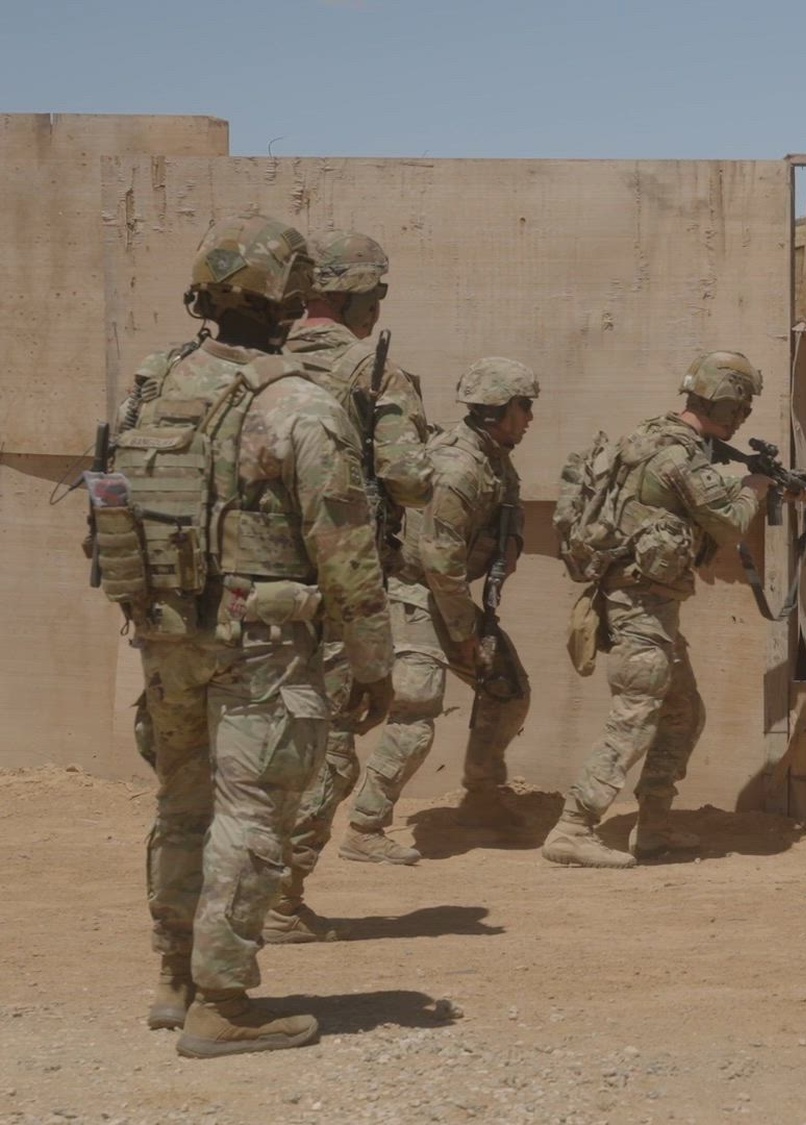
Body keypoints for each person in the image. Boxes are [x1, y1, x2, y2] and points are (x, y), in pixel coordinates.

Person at [94, 214, 394, 1056]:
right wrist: (373, 662)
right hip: (258, 643)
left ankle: (175, 978)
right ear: (292, 298)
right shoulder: (297, 402)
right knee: (251, 813)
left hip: (164, 635)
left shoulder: (154, 385)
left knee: (181, 804)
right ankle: (221, 1002)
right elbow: (345, 548)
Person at [267, 229, 432, 942]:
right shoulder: (370, 370)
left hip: (250, 585)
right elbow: (411, 479)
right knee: (330, 748)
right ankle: (276, 901)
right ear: (357, 294)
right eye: (378, 292)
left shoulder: (254, 359)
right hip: (333, 585)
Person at [541, 351, 766, 868]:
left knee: (683, 713)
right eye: (741, 407)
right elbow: (728, 522)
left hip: (649, 605)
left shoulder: (651, 437)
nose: (742, 417)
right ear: (726, 402)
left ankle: (654, 827)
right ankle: (573, 828)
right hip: (639, 607)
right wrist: (756, 490)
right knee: (636, 714)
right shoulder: (676, 455)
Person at [339, 359, 536, 864]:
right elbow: (439, 560)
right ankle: (364, 826)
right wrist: (464, 634)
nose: (530, 418)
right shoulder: (457, 469)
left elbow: (501, 518)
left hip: (444, 596)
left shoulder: (492, 456)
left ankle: (481, 797)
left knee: (507, 691)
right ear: (497, 410)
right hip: (415, 597)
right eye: (524, 407)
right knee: (415, 712)